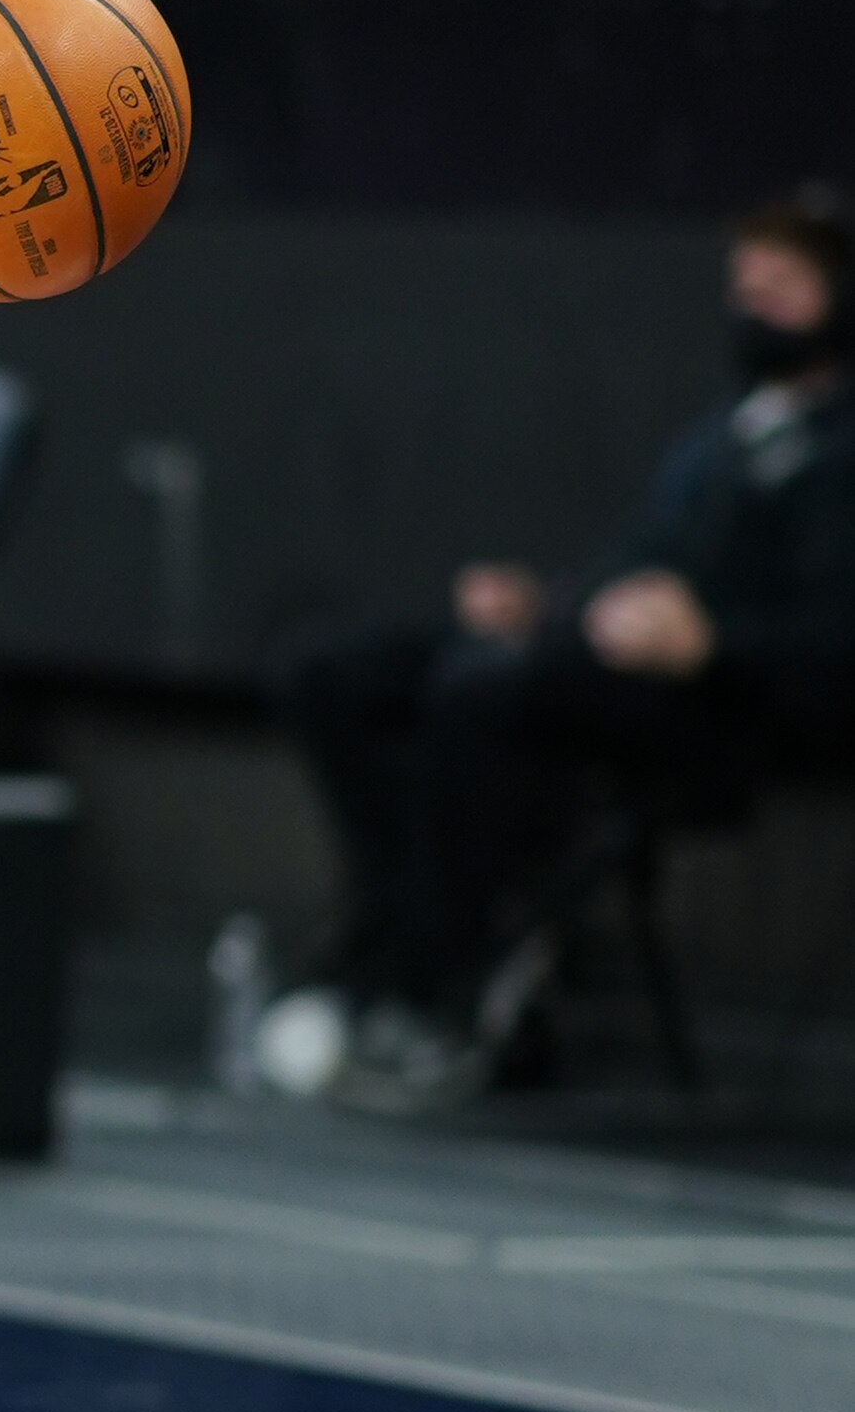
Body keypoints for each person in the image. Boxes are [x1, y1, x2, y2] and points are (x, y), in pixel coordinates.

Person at [269, 191, 855, 1111]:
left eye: (783, 286)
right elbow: (639, 559)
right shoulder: (723, 432)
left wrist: (711, 645)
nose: (755, 307)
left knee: (484, 698)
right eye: (747, 285)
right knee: (338, 673)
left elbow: (829, 636)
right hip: (596, 653)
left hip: (718, 706)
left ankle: (432, 986)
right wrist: (547, 602)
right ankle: (390, 930)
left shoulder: (837, 451)